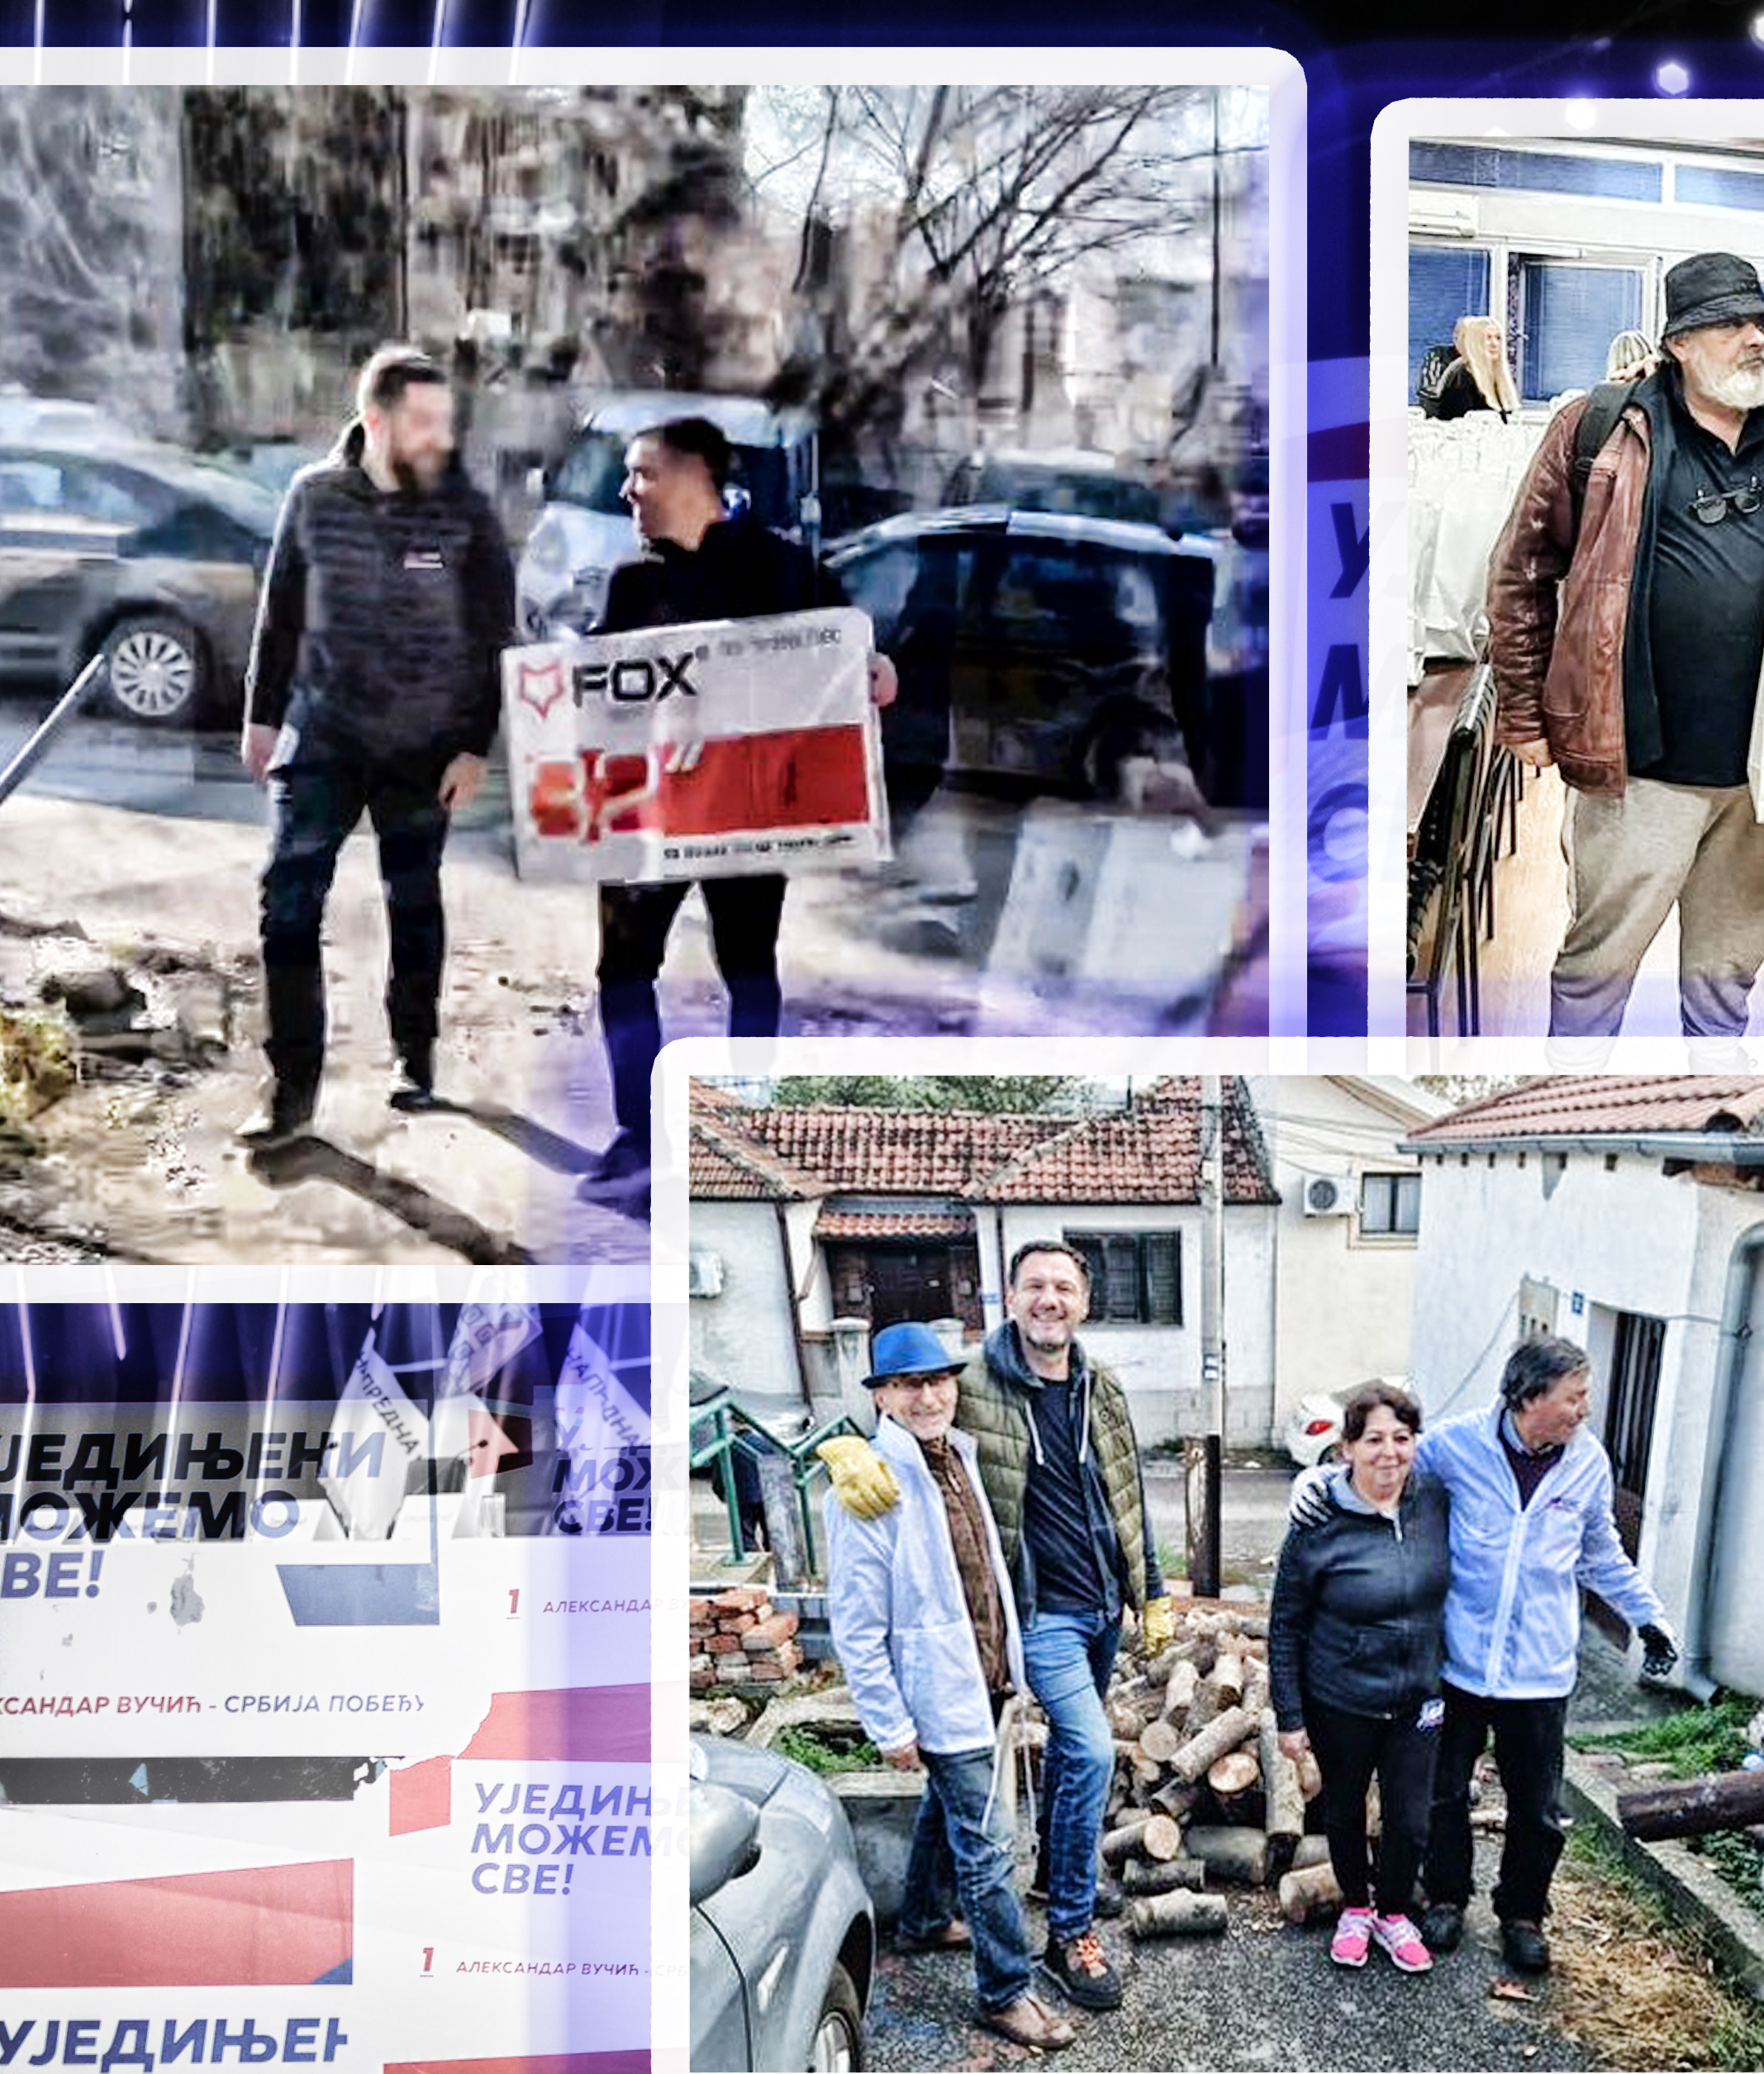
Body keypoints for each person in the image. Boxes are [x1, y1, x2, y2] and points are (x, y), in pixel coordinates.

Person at [1482, 252, 1764, 1042]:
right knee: (1596, 971)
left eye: (1760, 322)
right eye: (1729, 324)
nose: (1754, 338)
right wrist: (1522, 714)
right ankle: (1569, 1126)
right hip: (1637, 769)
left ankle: (1707, 1123)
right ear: (1679, 341)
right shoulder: (1600, 428)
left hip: (1759, 770)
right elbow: (1520, 569)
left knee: (1727, 974)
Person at [578, 415, 896, 1206]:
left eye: (640, 474)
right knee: (623, 970)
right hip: (651, 822)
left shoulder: (785, 571)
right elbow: (591, 696)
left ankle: (743, 1133)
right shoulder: (629, 584)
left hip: (750, 820)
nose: (627, 491)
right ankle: (640, 1134)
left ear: (692, 478)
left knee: (749, 970)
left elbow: (851, 653)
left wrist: (878, 667)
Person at [1289, 1335, 1676, 1974]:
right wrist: (1319, 1477)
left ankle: (1522, 1914)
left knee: (1537, 1808)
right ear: (1527, 1398)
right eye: (1573, 1397)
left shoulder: (1588, 1462)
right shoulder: (1458, 1444)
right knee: (1443, 1796)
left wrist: (1648, 1619)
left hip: (1540, 1669)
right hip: (1460, 1662)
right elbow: (1388, 1467)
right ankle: (1445, 1898)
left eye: (1584, 1397)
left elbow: (1600, 1552)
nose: (1584, 1409)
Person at [238, 344, 514, 1143]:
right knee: (286, 903)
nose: (439, 437)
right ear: (376, 421)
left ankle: (413, 1056)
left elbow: (494, 631)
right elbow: (280, 606)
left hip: (424, 746)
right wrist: (261, 716)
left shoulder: (464, 510)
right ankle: (290, 1089)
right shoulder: (314, 495)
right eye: (422, 422)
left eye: (444, 422)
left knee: (412, 899)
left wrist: (474, 745)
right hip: (323, 731)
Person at [818, 1322, 1078, 2053]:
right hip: (937, 1692)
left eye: (937, 1381)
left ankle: (926, 1918)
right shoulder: (868, 1485)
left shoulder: (955, 1456)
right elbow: (858, 1623)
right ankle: (1004, 1992)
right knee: (990, 1848)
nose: (928, 1395)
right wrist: (890, 1725)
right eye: (908, 1384)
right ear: (882, 1397)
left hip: (981, 1677)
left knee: (945, 1804)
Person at [945, 1239, 1172, 2013]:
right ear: (1008, 1299)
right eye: (1035, 1286)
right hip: (1038, 1615)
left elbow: (1128, 1492)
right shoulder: (971, 1384)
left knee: (1046, 1751)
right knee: (1088, 1747)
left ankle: (935, 1905)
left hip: (1102, 1604)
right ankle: (1068, 1931)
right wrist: (852, 1451)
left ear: (1083, 1303)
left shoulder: (1099, 1385)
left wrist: (1151, 1590)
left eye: (1064, 1288)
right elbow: (899, 1417)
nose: (1050, 1299)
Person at [1267, 1382, 1453, 1973]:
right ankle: (1354, 1906)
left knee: (1411, 1818)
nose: (1389, 1452)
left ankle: (1392, 1914)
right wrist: (1290, 1716)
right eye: (1373, 1438)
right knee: (1343, 1811)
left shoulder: (1434, 1502)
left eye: (1401, 1438)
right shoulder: (1317, 1520)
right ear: (1347, 1448)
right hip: (1338, 1699)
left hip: (1417, 1699)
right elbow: (1285, 1624)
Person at [1422, 316, 1519, 421]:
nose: (1494, 343)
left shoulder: (1494, 377)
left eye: (1498, 338)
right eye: (1488, 338)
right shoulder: (1462, 375)